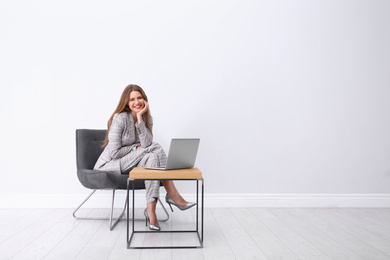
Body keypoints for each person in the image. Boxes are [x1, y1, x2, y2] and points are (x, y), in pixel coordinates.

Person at [94, 84, 195, 231]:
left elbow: (147, 143)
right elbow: (115, 153)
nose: (137, 102)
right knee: (156, 147)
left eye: (139, 98)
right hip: (110, 164)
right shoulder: (120, 118)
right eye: (132, 99)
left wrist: (140, 118)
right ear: (126, 103)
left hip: (130, 161)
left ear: (145, 99)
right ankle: (173, 194)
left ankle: (151, 213)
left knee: (153, 158)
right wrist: (136, 147)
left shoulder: (148, 118)